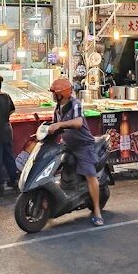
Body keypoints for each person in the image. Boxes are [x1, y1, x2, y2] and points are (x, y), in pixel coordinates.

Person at [47, 76, 103, 226]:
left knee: (90, 175)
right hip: (67, 145)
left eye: (54, 93)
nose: (52, 95)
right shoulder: (57, 108)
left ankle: (97, 211)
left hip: (83, 145)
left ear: (61, 94)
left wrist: (59, 125)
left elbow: (78, 122)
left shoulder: (75, 104)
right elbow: (54, 125)